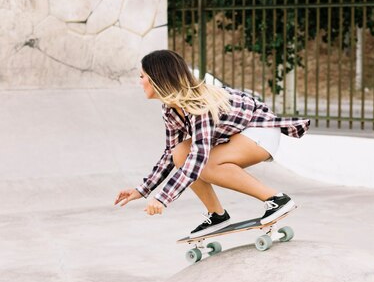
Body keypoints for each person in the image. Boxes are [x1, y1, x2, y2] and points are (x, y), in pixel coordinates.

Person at [114, 50, 310, 236]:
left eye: (142, 76)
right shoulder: (170, 109)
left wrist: (163, 198)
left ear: (157, 79)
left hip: (261, 130)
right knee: (180, 153)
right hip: (238, 134)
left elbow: (199, 157)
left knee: (204, 164)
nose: (139, 82)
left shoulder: (198, 104)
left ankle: (276, 199)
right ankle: (217, 215)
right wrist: (143, 190)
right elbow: (170, 154)